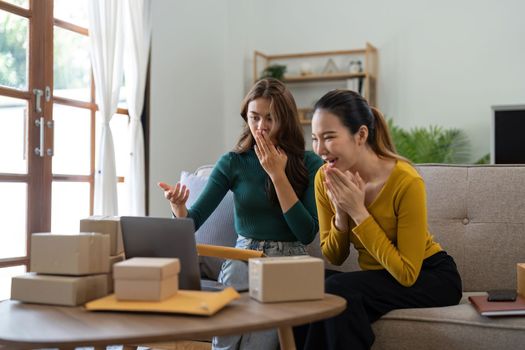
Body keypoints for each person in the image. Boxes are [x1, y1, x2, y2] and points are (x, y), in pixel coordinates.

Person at [158, 78, 324, 350]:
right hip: (242, 257)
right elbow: (194, 220)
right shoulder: (232, 162)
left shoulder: (310, 163)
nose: (261, 127)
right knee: (226, 335)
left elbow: (306, 233)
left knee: (256, 344)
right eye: (254, 118)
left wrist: (277, 175)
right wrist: (178, 207)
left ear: (286, 118)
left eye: (270, 118)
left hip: (288, 259)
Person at [298, 89, 462, 350]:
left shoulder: (406, 181)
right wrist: (342, 214)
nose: (319, 149)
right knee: (303, 285)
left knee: (338, 288)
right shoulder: (325, 179)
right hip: (381, 276)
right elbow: (335, 256)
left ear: (361, 135)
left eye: (329, 137)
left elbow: (407, 273)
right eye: (315, 139)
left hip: (430, 276)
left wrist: (359, 213)